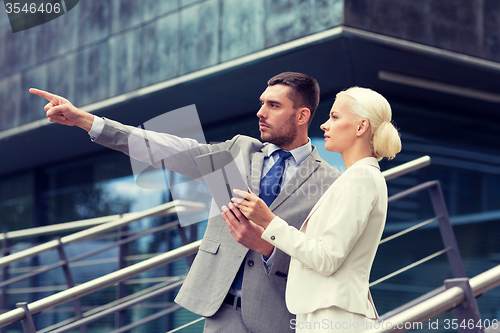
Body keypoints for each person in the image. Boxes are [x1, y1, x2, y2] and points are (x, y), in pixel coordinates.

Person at [29, 72, 341, 333]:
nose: (261, 113)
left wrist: (268, 248)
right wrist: (87, 121)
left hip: (278, 319)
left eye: (274, 105)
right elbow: (167, 148)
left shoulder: (330, 181)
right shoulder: (239, 150)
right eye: (262, 104)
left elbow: (326, 259)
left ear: (302, 116)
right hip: (220, 316)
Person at [221, 87, 402, 332]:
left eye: (335, 117)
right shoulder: (354, 178)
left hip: (335, 319)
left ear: (361, 127)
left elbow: (327, 258)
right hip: (324, 314)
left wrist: (269, 221)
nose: (324, 125)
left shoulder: (361, 179)